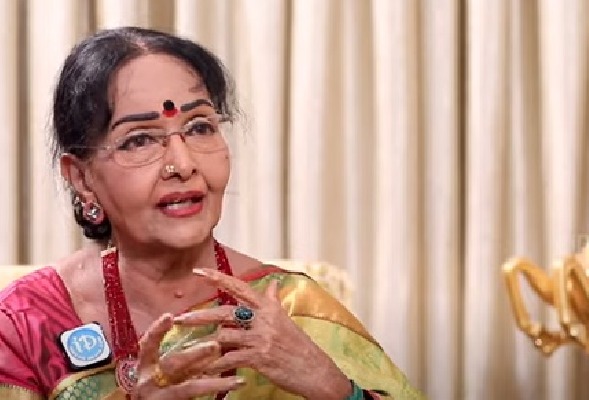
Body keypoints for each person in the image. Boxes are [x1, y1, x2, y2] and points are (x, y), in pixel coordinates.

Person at [0, 27, 422, 400]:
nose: (183, 164)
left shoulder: (295, 309)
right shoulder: (26, 323)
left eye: (200, 127)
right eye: (140, 140)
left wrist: (333, 388)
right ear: (81, 178)